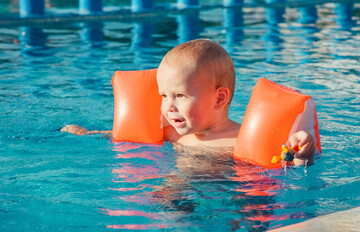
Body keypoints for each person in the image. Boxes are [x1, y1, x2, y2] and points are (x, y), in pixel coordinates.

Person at [61, 39, 315, 164]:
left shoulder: (241, 139)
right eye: (164, 95)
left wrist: (303, 148)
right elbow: (119, 136)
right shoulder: (173, 134)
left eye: (180, 95)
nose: (169, 106)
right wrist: (87, 134)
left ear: (219, 98)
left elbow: (287, 156)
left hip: (231, 193)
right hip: (181, 196)